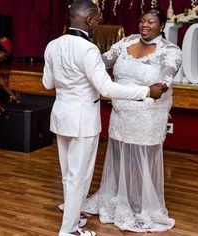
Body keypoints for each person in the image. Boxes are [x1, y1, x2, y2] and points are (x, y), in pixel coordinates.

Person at [42, 1, 168, 235]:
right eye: (98, 19)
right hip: (83, 121)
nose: (98, 23)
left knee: (69, 174)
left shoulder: (53, 45)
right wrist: (146, 92)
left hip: (61, 117)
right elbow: (107, 89)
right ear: (89, 20)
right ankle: (68, 230)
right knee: (79, 177)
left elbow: (47, 83)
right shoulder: (88, 49)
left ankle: (73, 218)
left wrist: (69, 83)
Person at [81, 8, 182, 233]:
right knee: (119, 156)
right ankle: (117, 197)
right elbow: (101, 62)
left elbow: (167, 75)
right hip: (121, 113)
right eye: (143, 20)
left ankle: (139, 204)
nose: (145, 25)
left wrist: (162, 85)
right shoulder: (126, 42)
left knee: (141, 158)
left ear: (161, 26)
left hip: (147, 114)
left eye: (151, 22)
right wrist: (80, 56)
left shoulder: (170, 50)